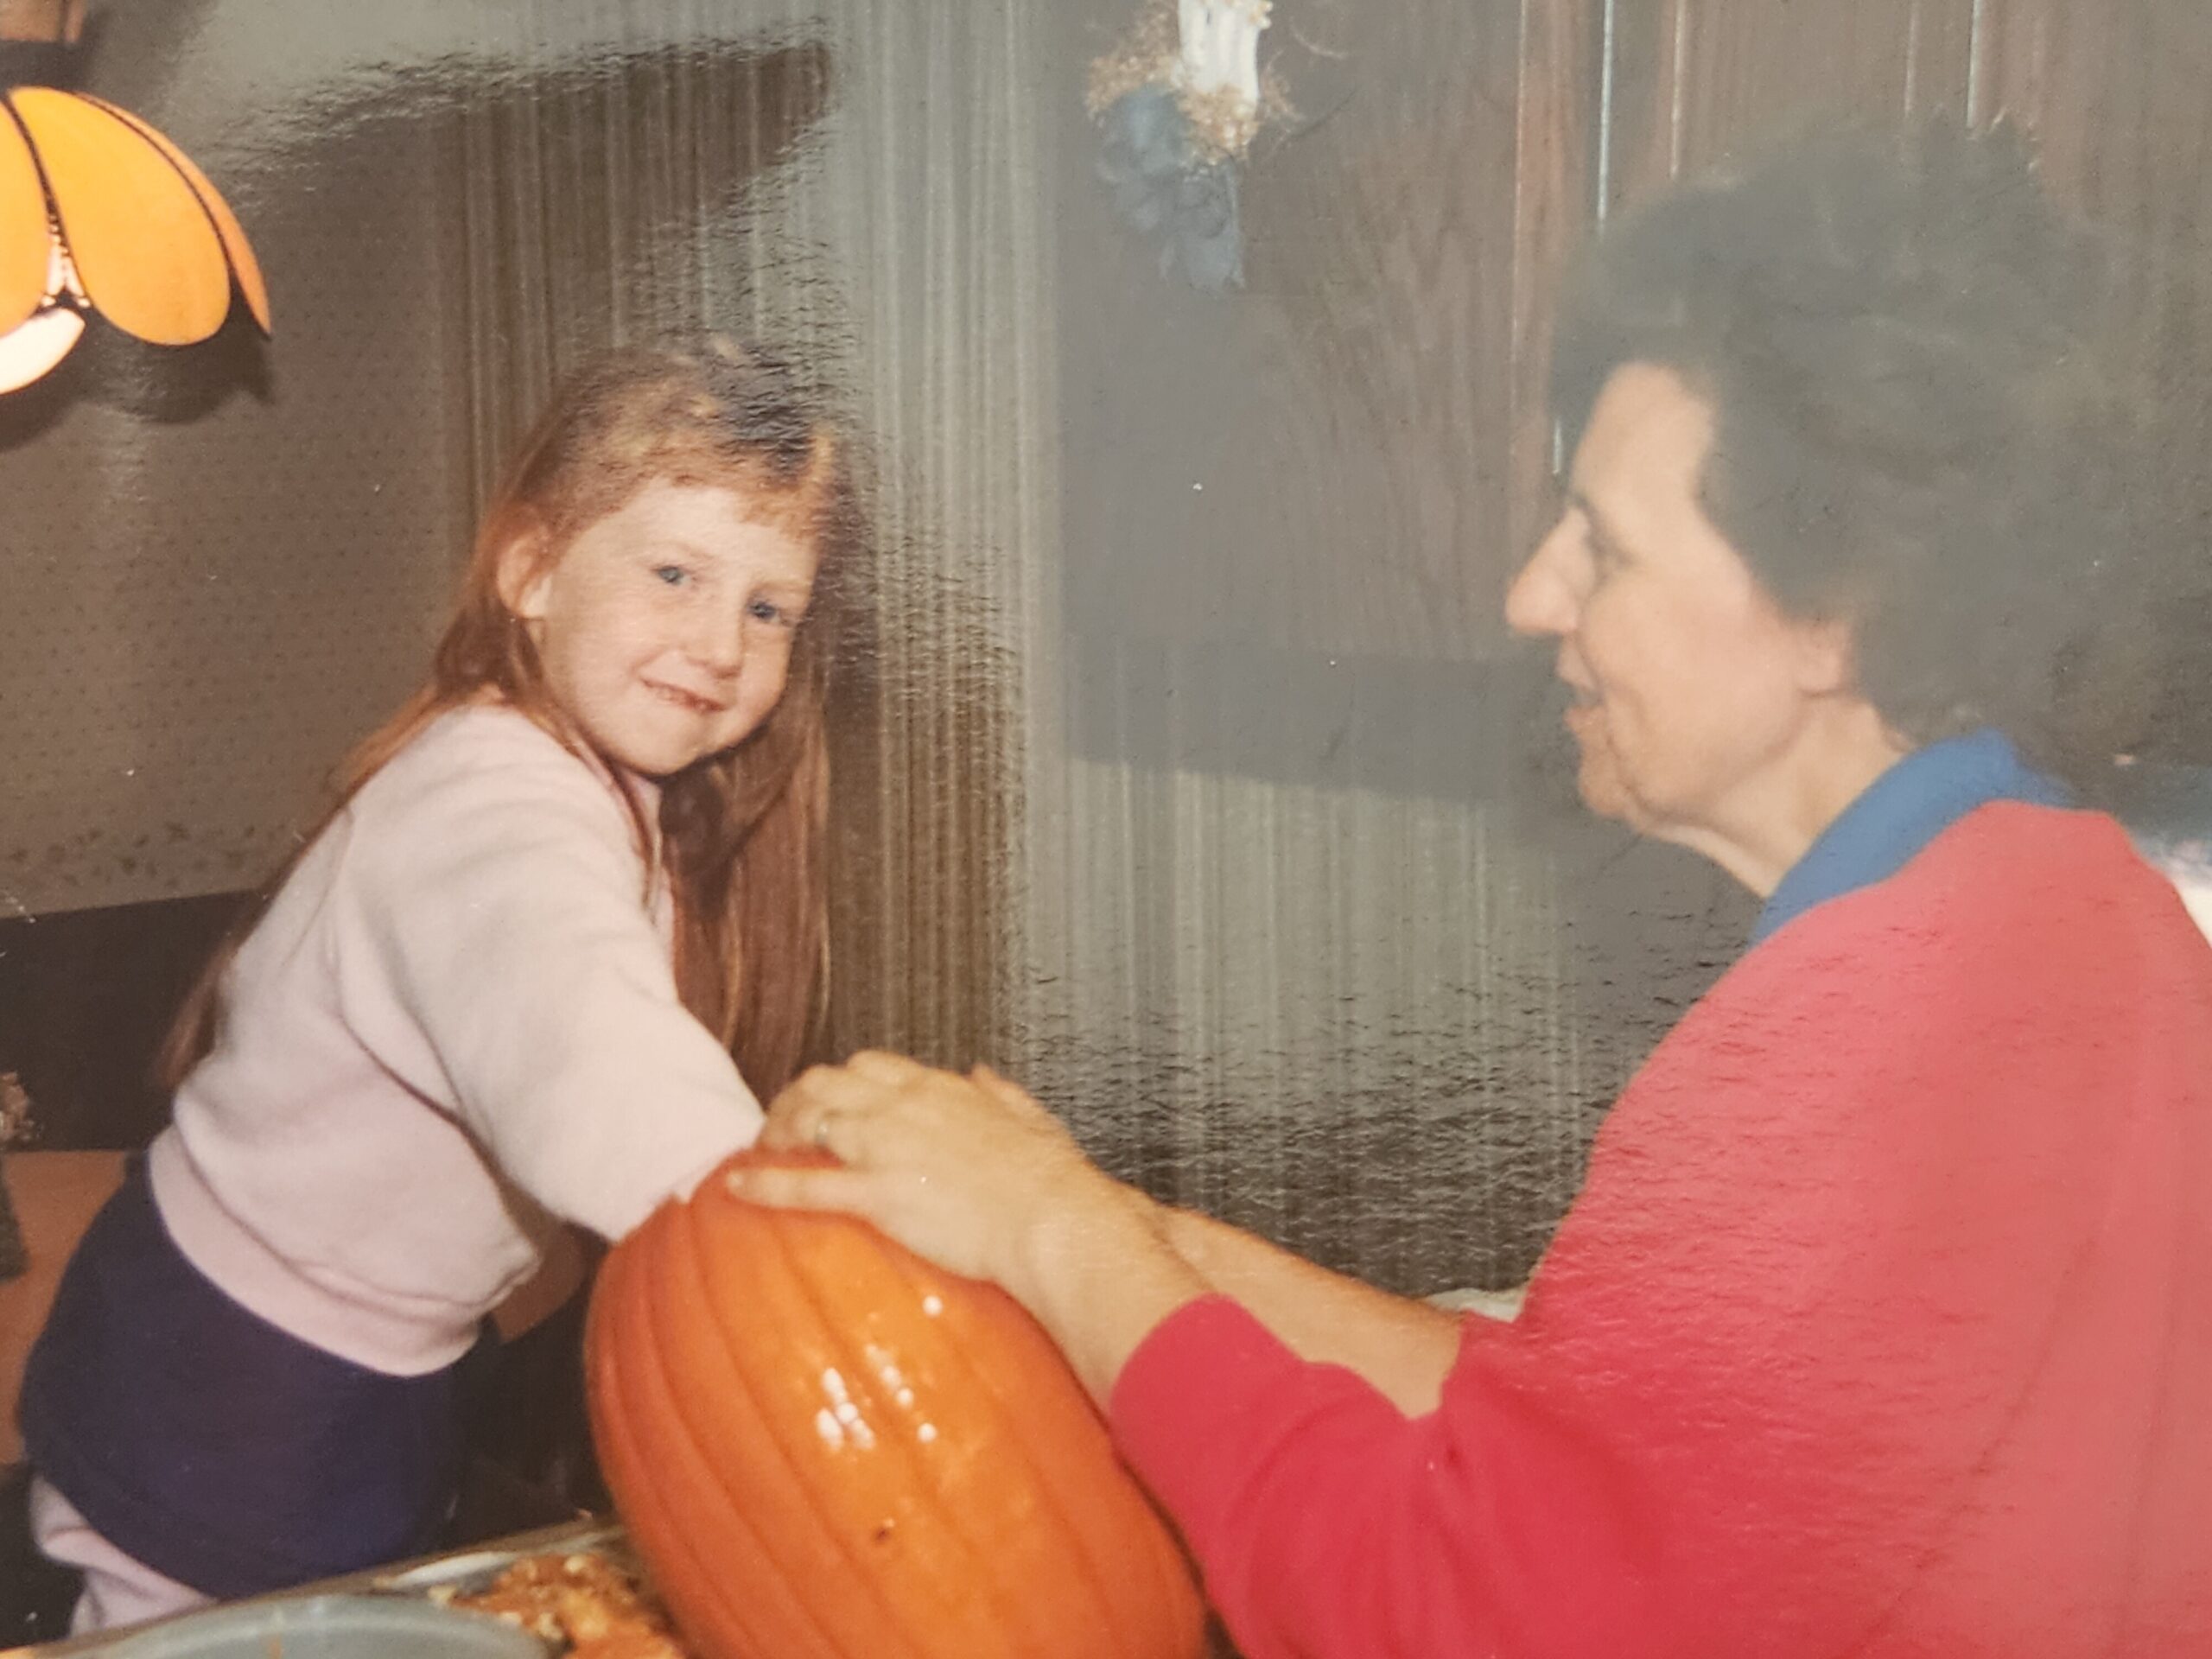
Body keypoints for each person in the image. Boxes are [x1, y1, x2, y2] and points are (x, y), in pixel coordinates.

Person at [733, 121, 2212, 1656]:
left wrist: (1055, 1237)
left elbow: (1451, 1613)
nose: (1530, 594)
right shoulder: (2075, 916)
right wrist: (1126, 1231)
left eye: (1604, 548)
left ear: (1832, 619)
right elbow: (1580, 1463)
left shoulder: (1851, 1047)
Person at [17, 338, 861, 1631]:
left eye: (768, 609)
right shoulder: (491, 800)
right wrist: (812, 1261)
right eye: (675, 573)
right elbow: (591, 1057)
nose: (719, 642)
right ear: (532, 570)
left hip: (366, 1363)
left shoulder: (595, 785)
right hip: (235, 1364)